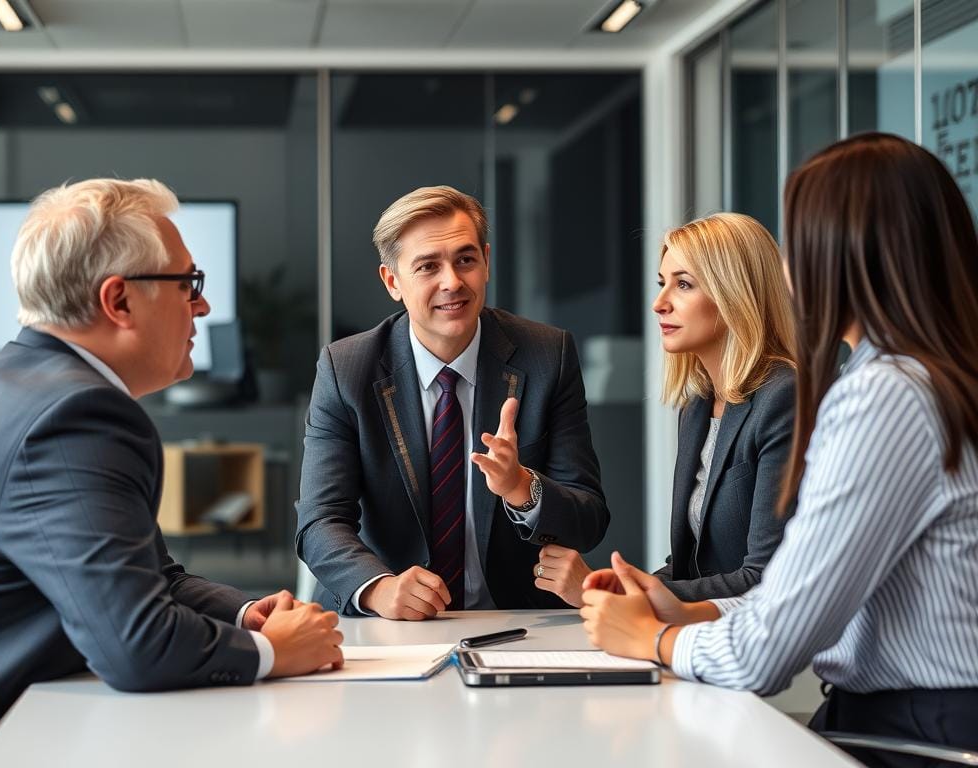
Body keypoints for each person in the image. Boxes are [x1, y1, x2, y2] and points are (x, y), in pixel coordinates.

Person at [581, 133, 978, 765]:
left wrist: (653, 638)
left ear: (841, 255)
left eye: (797, 242)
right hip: (901, 717)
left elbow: (765, 653)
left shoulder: (884, 396)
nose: (788, 268)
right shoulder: (917, 379)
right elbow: (803, 589)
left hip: (918, 733)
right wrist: (679, 605)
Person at [0, 179, 344, 753]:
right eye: (188, 283)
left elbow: (149, 577)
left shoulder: (5, 378)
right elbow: (134, 645)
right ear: (118, 301)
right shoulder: (78, 416)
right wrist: (273, 653)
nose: (203, 305)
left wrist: (245, 614)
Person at [296, 185, 609, 619]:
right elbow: (319, 521)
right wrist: (378, 588)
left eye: (465, 260)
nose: (452, 282)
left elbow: (589, 518)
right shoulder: (347, 369)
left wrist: (522, 488)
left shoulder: (546, 356)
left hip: (515, 619)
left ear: (485, 262)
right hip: (388, 623)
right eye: (427, 266)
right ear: (393, 281)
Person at [535, 213, 796, 608]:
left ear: (735, 293)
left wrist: (623, 594)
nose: (659, 303)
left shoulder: (783, 397)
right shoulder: (697, 406)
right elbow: (688, 568)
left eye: (684, 285)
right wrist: (611, 588)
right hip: (695, 642)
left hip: (747, 650)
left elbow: (764, 578)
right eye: (662, 284)